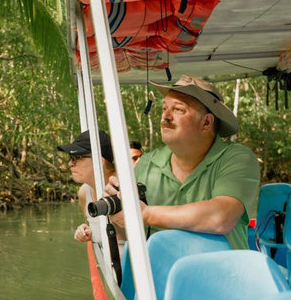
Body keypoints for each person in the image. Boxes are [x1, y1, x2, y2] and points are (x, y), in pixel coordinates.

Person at [105, 75, 260, 249]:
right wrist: (117, 213)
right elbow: (130, 235)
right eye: (164, 108)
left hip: (222, 274)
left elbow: (220, 217)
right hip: (160, 273)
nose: (165, 116)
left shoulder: (237, 158)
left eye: (179, 109)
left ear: (206, 122)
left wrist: (147, 214)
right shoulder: (146, 163)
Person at [57, 130, 126, 244]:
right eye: (70, 157)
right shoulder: (84, 192)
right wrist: (86, 232)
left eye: (77, 157)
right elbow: (94, 243)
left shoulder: (126, 187)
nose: (70, 163)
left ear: (100, 160)